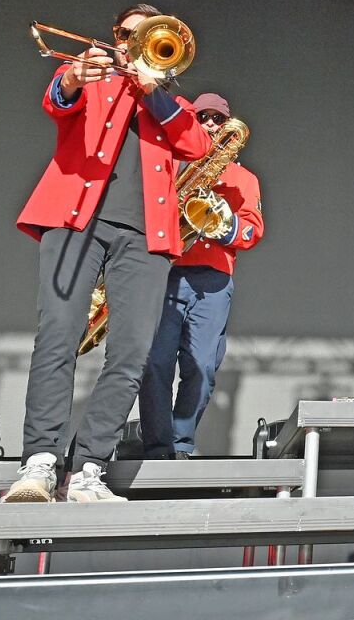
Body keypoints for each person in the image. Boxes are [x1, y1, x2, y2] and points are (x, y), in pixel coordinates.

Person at [4, 4, 212, 504]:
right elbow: (57, 101)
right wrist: (75, 75)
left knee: (131, 355)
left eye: (150, 37)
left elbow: (198, 145)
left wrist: (152, 90)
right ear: (118, 37)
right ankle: (40, 462)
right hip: (75, 219)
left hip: (146, 238)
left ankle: (90, 467)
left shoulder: (166, 101)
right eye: (130, 34)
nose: (137, 43)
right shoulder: (89, 72)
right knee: (58, 337)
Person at [139, 93, 263, 458]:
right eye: (202, 117)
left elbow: (253, 231)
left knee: (203, 367)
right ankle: (158, 448)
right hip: (168, 273)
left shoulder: (244, 177)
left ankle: (181, 444)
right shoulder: (171, 166)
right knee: (156, 363)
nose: (210, 123)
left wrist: (221, 223)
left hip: (214, 278)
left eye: (217, 119)